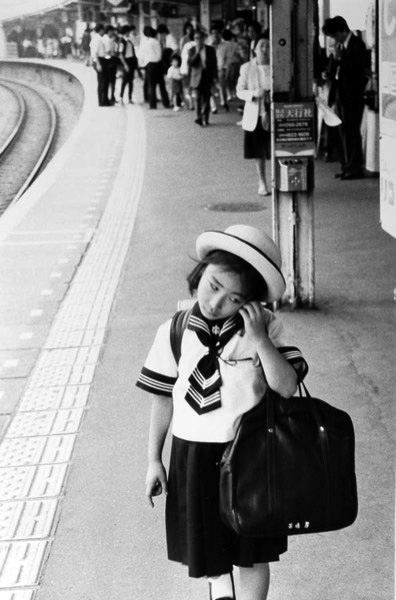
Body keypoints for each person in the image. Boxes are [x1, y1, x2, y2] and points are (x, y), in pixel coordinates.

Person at [137, 224, 307, 600]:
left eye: (233, 298)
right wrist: (154, 460)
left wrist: (261, 339)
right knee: (209, 554)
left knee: (251, 553)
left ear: (252, 302)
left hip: (250, 456)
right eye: (213, 286)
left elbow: (286, 386)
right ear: (199, 274)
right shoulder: (174, 331)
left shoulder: (265, 329)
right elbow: (162, 398)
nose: (216, 303)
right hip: (193, 455)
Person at [322, 16, 368, 180]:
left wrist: (341, 59)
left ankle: (355, 168)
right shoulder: (340, 46)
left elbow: (357, 71)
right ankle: (346, 165)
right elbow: (336, 70)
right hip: (340, 94)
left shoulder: (357, 45)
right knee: (341, 132)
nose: (334, 39)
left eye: (335, 35)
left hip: (353, 96)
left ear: (342, 31)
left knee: (352, 132)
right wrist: (329, 71)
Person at [236, 32, 271, 196]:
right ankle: (262, 181)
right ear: (254, 49)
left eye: (268, 45)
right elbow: (239, 91)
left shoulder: (277, 66)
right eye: (261, 45)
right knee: (258, 151)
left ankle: (276, 180)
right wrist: (254, 94)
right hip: (255, 114)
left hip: (273, 113)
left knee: (275, 148)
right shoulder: (247, 68)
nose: (265, 49)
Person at [188, 29, 218, 126]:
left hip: (207, 76)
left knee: (206, 98)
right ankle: (198, 117)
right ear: (194, 39)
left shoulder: (210, 49)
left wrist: (215, 77)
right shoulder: (191, 50)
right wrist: (197, 53)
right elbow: (191, 63)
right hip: (196, 77)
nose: (199, 40)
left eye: (200, 38)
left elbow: (214, 64)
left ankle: (205, 118)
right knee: (197, 98)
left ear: (204, 39)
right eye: (196, 38)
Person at [139, 26, 170, 109]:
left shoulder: (146, 43)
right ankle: (166, 103)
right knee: (162, 85)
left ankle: (152, 104)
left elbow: (142, 55)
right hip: (158, 65)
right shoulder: (157, 42)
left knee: (151, 85)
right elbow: (160, 55)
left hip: (150, 65)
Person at [118, 25, 140, 103]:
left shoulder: (129, 40)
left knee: (131, 80)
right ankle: (121, 97)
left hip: (131, 61)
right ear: (126, 32)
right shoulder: (122, 41)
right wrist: (125, 65)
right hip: (126, 61)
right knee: (125, 80)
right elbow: (120, 54)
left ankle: (130, 98)